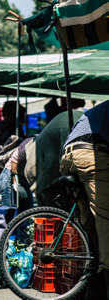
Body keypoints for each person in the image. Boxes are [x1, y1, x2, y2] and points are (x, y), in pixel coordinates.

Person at [60, 100, 109, 296]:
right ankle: (106, 271)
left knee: (87, 223)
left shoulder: (98, 109)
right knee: (105, 217)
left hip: (68, 157)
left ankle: (87, 279)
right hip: (90, 154)